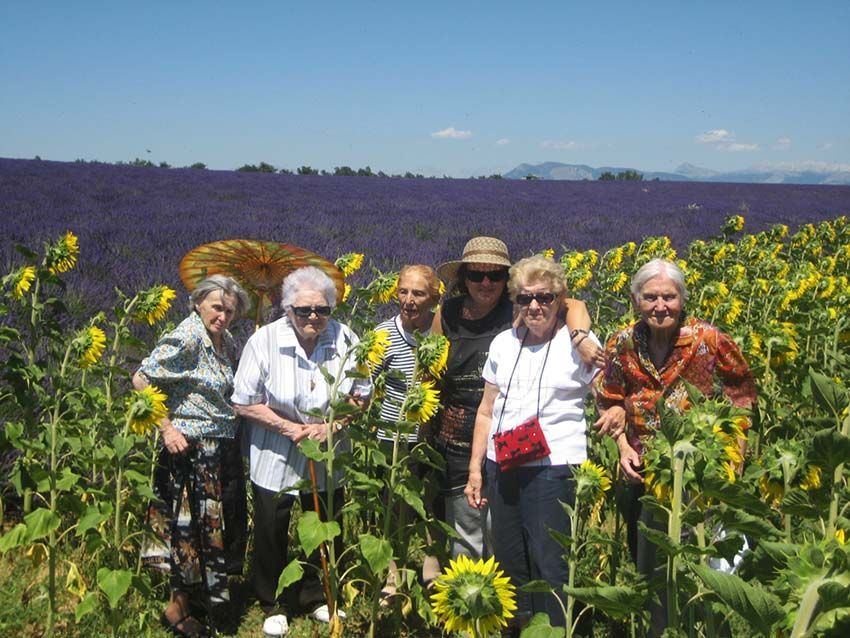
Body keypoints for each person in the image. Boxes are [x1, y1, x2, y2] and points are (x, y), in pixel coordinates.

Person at [594, 258, 756, 636]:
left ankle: (698, 626)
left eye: (669, 297)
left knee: (696, 561)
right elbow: (608, 397)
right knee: (648, 562)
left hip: (698, 470)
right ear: (636, 300)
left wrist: (733, 453)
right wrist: (621, 444)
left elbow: (742, 394)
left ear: (682, 298)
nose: (660, 306)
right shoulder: (622, 342)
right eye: (650, 297)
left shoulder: (709, 339)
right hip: (641, 470)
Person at [432, 236, 602, 561]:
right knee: (470, 531)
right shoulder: (451, 313)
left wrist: (579, 335)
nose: (485, 282)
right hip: (462, 438)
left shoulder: (524, 309)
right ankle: (472, 604)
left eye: (494, 275)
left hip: (524, 449)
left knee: (522, 542)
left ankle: (518, 604)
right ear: (463, 278)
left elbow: (572, 305)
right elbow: (434, 370)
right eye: (476, 275)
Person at [230, 266, 370, 638]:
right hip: (276, 450)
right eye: (304, 310)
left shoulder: (345, 339)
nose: (313, 317)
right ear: (286, 308)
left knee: (323, 521)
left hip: (327, 451)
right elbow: (244, 401)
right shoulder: (264, 341)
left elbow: (362, 394)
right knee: (271, 525)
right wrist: (290, 428)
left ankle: (315, 594)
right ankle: (271, 601)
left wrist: (332, 426)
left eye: (322, 310)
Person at [464, 255, 601, 632]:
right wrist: (476, 467)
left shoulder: (580, 344)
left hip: (554, 468)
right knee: (509, 560)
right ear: (515, 302)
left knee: (551, 562)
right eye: (525, 299)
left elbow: (605, 396)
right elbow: (486, 411)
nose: (535, 306)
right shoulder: (504, 343)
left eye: (545, 297)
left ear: (561, 300)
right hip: (502, 464)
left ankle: (558, 629)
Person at [134, 274, 250, 638]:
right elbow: (140, 378)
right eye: (217, 307)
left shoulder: (225, 340)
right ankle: (177, 609)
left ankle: (198, 605)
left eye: (230, 310)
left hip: (218, 448)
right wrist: (166, 428)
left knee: (206, 530)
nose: (223, 316)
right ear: (198, 303)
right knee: (185, 530)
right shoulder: (187, 336)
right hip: (190, 449)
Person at [370, 264, 443, 598]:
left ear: (433, 298)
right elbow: (363, 381)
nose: (409, 300)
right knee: (393, 508)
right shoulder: (384, 333)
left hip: (432, 436)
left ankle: (431, 571)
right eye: (403, 291)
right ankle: (392, 578)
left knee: (431, 505)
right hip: (393, 438)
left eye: (418, 293)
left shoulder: (441, 332)